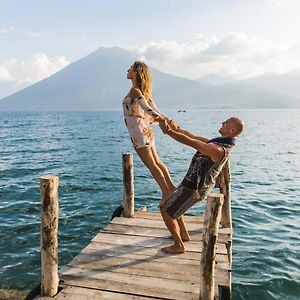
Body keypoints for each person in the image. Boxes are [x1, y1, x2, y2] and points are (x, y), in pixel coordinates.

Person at [158, 117, 245, 254]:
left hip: (195, 189)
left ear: (232, 130)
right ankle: (184, 235)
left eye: (226, 122)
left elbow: (192, 142)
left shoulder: (218, 149)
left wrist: (169, 132)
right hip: (190, 184)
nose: (222, 122)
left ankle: (178, 245)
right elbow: (192, 136)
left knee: (165, 210)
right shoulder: (216, 142)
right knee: (172, 206)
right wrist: (175, 128)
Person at [122, 61, 175, 204]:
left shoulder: (135, 91)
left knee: (151, 164)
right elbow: (155, 109)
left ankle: (166, 193)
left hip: (138, 130)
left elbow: (148, 110)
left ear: (135, 73)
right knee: (156, 161)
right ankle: (171, 188)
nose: (127, 70)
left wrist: (164, 121)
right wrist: (167, 120)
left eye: (130, 68)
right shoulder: (143, 91)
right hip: (145, 129)